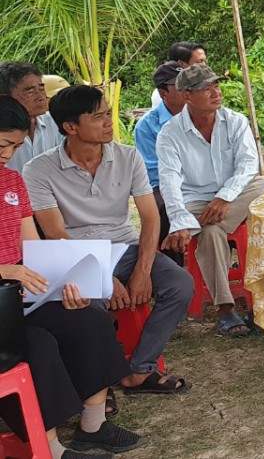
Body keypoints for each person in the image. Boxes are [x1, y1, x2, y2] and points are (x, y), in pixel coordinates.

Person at [23, 85, 194, 396]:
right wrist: (103, 276)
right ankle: (100, 385)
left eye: (108, 113)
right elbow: (56, 233)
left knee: (180, 284)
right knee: (87, 307)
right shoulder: (38, 170)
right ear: (70, 127)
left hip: (125, 246)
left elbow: (150, 217)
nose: (108, 122)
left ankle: (139, 370)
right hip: (76, 255)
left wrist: (142, 270)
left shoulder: (128, 157)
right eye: (97, 117)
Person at [0, 95, 143, 459]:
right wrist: (5, 270)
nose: (9, 154)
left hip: (19, 298)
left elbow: (31, 248)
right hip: (6, 302)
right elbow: (14, 265)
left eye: (16, 146)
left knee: (88, 319)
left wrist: (60, 282)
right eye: (3, 145)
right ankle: (49, 449)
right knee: (38, 346)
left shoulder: (12, 181)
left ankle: (93, 426)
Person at [157, 64, 264, 337]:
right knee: (211, 232)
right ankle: (226, 308)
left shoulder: (235, 121)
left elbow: (248, 166)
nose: (215, 92)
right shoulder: (170, 134)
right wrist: (179, 218)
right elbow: (169, 181)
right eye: (205, 88)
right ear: (186, 95)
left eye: (216, 85)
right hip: (195, 200)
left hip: (235, 194)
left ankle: (196, 228)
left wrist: (224, 197)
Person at [134, 62, 186, 263]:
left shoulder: (201, 113)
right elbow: (154, 171)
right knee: (163, 206)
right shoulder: (147, 125)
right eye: (180, 85)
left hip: (200, 179)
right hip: (164, 184)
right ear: (164, 93)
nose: (187, 89)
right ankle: (174, 265)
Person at [0, 62, 63, 174]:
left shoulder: (58, 122)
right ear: (6, 97)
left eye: (41, 88)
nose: (41, 96)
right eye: (30, 91)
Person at [149, 41, 206, 109]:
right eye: (199, 61)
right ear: (181, 64)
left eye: (204, 61)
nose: (205, 66)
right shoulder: (169, 92)